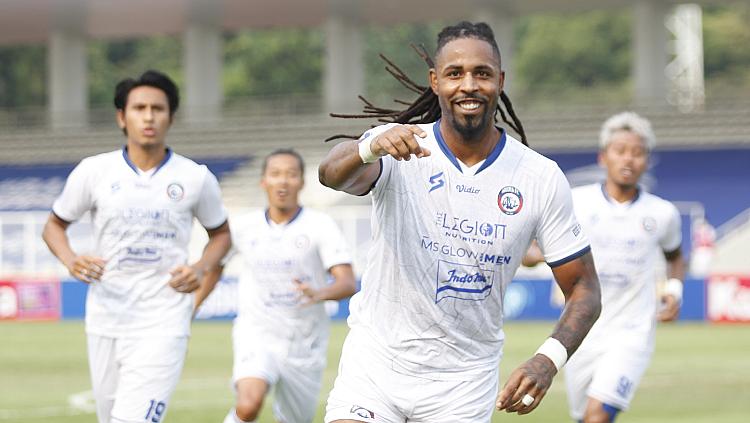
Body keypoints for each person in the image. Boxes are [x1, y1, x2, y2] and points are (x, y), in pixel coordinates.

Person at [318, 21, 601, 422]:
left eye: (481, 74)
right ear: (435, 82)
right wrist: (368, 146)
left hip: (463, 385)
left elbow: (585, 289)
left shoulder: (539, 177)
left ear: (500, 81)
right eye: (455, 74)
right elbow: (331, 174)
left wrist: (548, 360)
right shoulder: (397, 145)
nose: (468, 85)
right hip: (376, 367)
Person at [42, 70, 231, 423]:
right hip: (106, 316)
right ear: (121, 117)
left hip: (164, 317)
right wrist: (71, 260)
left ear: (170, 117)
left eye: (157, 108)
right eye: (139, 107)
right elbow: (54, 225)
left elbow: (221, 235)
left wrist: (200, 267)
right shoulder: (94, 171)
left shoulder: (195, 177)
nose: (148, 116)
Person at [537, 112, 684, 422]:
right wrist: (535, 253)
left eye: (637, 152)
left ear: (647, 160)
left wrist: (674, 289)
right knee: (583, 417)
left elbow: (675, 257)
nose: (628, 159)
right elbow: (534, 247)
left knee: (597, 416)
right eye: (620, 151)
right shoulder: (575, 202)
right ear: (603, 157)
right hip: (580, 329)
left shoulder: (663, 213)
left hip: (632, 332)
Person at [195, 149, 357, 423]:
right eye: (276, 174)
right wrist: (190, 308)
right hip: (257, 334)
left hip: (304, 344)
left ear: (301, 182)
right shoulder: (244, 227)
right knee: (248, 405)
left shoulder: (320, 226)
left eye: (291, 175)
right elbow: (214, 268)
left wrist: (320, 293)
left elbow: (347, 282)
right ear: (264, 181)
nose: (283, 181)